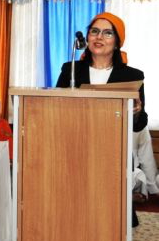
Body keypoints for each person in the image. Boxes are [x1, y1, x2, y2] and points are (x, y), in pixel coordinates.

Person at [56, 12, 157, 226]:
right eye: (94, 31)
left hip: (114, 153)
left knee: (112, 222)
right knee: (78, 217)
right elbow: (56, 107)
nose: (99, 37)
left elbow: (139, 123)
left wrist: (137, 111)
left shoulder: (131, 75)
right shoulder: (71, 69)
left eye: (107, 33)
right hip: (77, 149)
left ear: (117, 41)